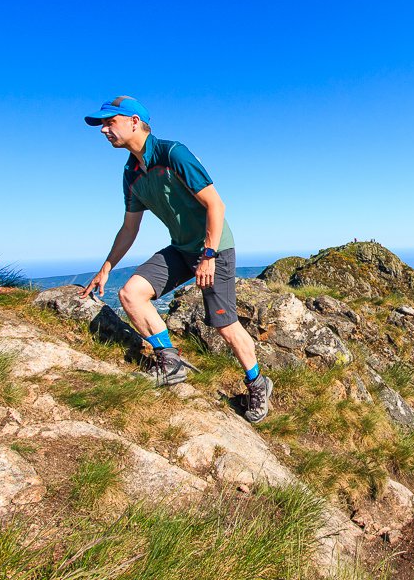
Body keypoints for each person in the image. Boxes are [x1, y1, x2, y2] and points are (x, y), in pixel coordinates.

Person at [79, 96, 272, 423]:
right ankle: (170, 363)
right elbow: (129, 228)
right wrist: (106, 268)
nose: (103, 130)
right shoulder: (131, 173)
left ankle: (257, 383)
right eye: (103, 124)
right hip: (181, 249)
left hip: (214, 248)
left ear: (134, 122)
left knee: (224, 324)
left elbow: (216, 205)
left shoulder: (173, 154)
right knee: (130, 294)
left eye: (110, 122)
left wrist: (208, 254)